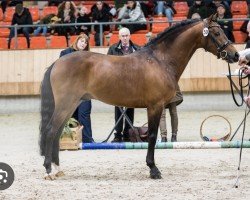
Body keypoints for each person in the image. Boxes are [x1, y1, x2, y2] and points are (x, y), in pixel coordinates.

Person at [59, 34, 94, 143]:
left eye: (85, 42)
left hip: (85, 90)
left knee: (84, 114)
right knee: (71, 115)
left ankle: (87, 140)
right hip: (70, 91)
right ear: (77, 41)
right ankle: (71, 139)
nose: (83, 44)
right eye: (82, 41)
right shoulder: (65, 53)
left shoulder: (88, 56)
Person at [107, 27, 140, 142]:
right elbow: (108, 66)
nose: (125, 38)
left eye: (126, 35)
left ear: (130, 36)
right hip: (118, 84)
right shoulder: (113, 49)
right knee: (118, 108)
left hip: (133, 83)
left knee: (130, 107)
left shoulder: (137, 49)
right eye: (123, 36)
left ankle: (128, 132)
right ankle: (118, 134)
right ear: (119, 37)